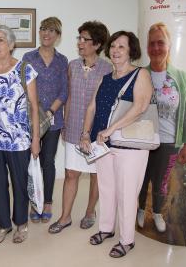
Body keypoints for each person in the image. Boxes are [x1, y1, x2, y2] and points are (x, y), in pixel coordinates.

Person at [80, 31, 153, 258]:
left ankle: (127, 240)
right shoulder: (105, 77)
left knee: (127, 193)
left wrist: (111, 129)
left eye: (122, 46)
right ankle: (106, 228)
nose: (115, 50)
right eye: (113, 46)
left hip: (130, 146)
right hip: (102, 144)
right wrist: (85, 134)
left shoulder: (141, 75)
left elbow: (140, 107)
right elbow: (92, 107)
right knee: (107, 188)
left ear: (132, 51)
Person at [0, 25, 40, 245]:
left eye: (1, 40)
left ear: (12, 45)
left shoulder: (25, 70)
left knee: (20, 184)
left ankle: (21, 224)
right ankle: (4, 225)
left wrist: (36, 139)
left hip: (19, 141)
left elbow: (33, 106)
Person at [49, 21, 112, 234]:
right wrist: (64, 125)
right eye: (79, 38)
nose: (80, 43)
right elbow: (66, 97)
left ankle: (89, 212)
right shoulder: (72, 66)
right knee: (71, 174)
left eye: (85, 39)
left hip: (97, 133)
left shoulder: (107, 68)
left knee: (96, 175)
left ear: (97, 44)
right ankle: (65, 217)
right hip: (74, 129)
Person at [137, 22, 186, 233]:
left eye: (161, 42)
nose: (156, 48)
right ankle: (141, 209)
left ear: (169, 45)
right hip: (143, 140)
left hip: (169, 141)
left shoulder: (181, 77)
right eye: (152, 44)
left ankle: (158, 212)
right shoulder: (141, 74)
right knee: (142, 179)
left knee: (161, 182)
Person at [22, 17, 68, 223]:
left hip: (53, 119)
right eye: (43, 29)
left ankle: (47, 201)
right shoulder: (28, 57)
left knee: (47, 161)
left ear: (57, 36)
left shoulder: (62, 60)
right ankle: (34, 200)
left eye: (51, 30)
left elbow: (64, 91)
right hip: (31, 119)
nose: (46, 33)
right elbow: (22, 86)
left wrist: (49, 112)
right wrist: (36, 111)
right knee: (31, 161)